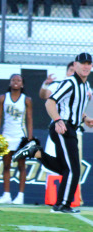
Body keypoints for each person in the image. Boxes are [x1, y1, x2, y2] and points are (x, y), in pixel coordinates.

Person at [13, 52, 93, 213]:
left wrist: (85, 118)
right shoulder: (70, 82)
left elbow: (71, 106)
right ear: (75, 65)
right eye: (82, 63)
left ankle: (36, 152)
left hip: (71, 127)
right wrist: (57, 120)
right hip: (63, 128)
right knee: (73, 169)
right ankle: (62, 204)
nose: (86, 66)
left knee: (67, 168)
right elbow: (50, 102)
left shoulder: (84, 85)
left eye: (88, 63)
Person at [0, 74, 33, 204]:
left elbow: (29, 119)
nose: (16, 82)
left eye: (19, 80)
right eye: (13, 80)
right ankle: (6, 195)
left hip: (20, 136)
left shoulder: (26, 100)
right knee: (6, 165)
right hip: (6, 136)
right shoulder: (2, 98)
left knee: (21, 166)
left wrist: (30, 138)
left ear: (22, 84)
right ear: (10, 83)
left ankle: (20, 196)